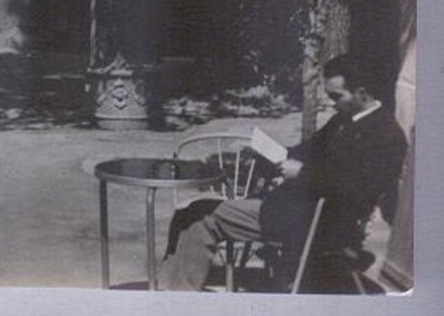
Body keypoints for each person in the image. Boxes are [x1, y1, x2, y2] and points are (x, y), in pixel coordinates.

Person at [160, 54, 408, 292]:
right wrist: (263, 154)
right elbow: (304, 152)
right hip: (296, 210)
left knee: (201, 216)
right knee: (190, 211)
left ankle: (176, 298)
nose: (332, 102)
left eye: (337, 96)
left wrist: (301, 174)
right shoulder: (343, 119)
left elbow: (357, 189)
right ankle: (171, 288)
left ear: (362, 93)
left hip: (318, 225)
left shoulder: (386, 136)